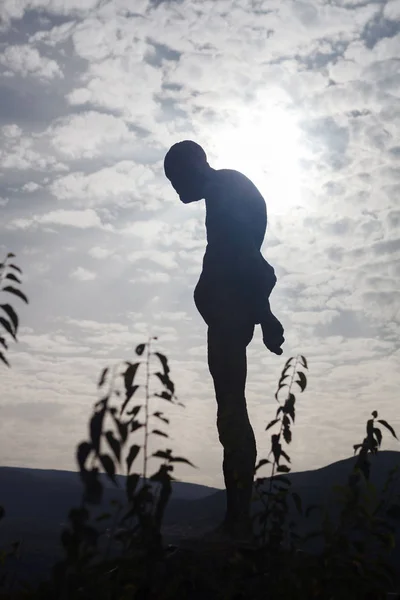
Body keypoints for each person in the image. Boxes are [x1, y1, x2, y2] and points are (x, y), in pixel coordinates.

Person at [164, 140, 285, 542]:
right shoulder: (226, 192)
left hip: (231, 313)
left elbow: (248, 256)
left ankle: (238, 522)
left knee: (231, 414)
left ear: (194, 165)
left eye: (177, 180)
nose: (177, 192)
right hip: (229, 310)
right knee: (230, 411)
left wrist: (264, 314)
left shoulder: (225, 192)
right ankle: (238, 518)